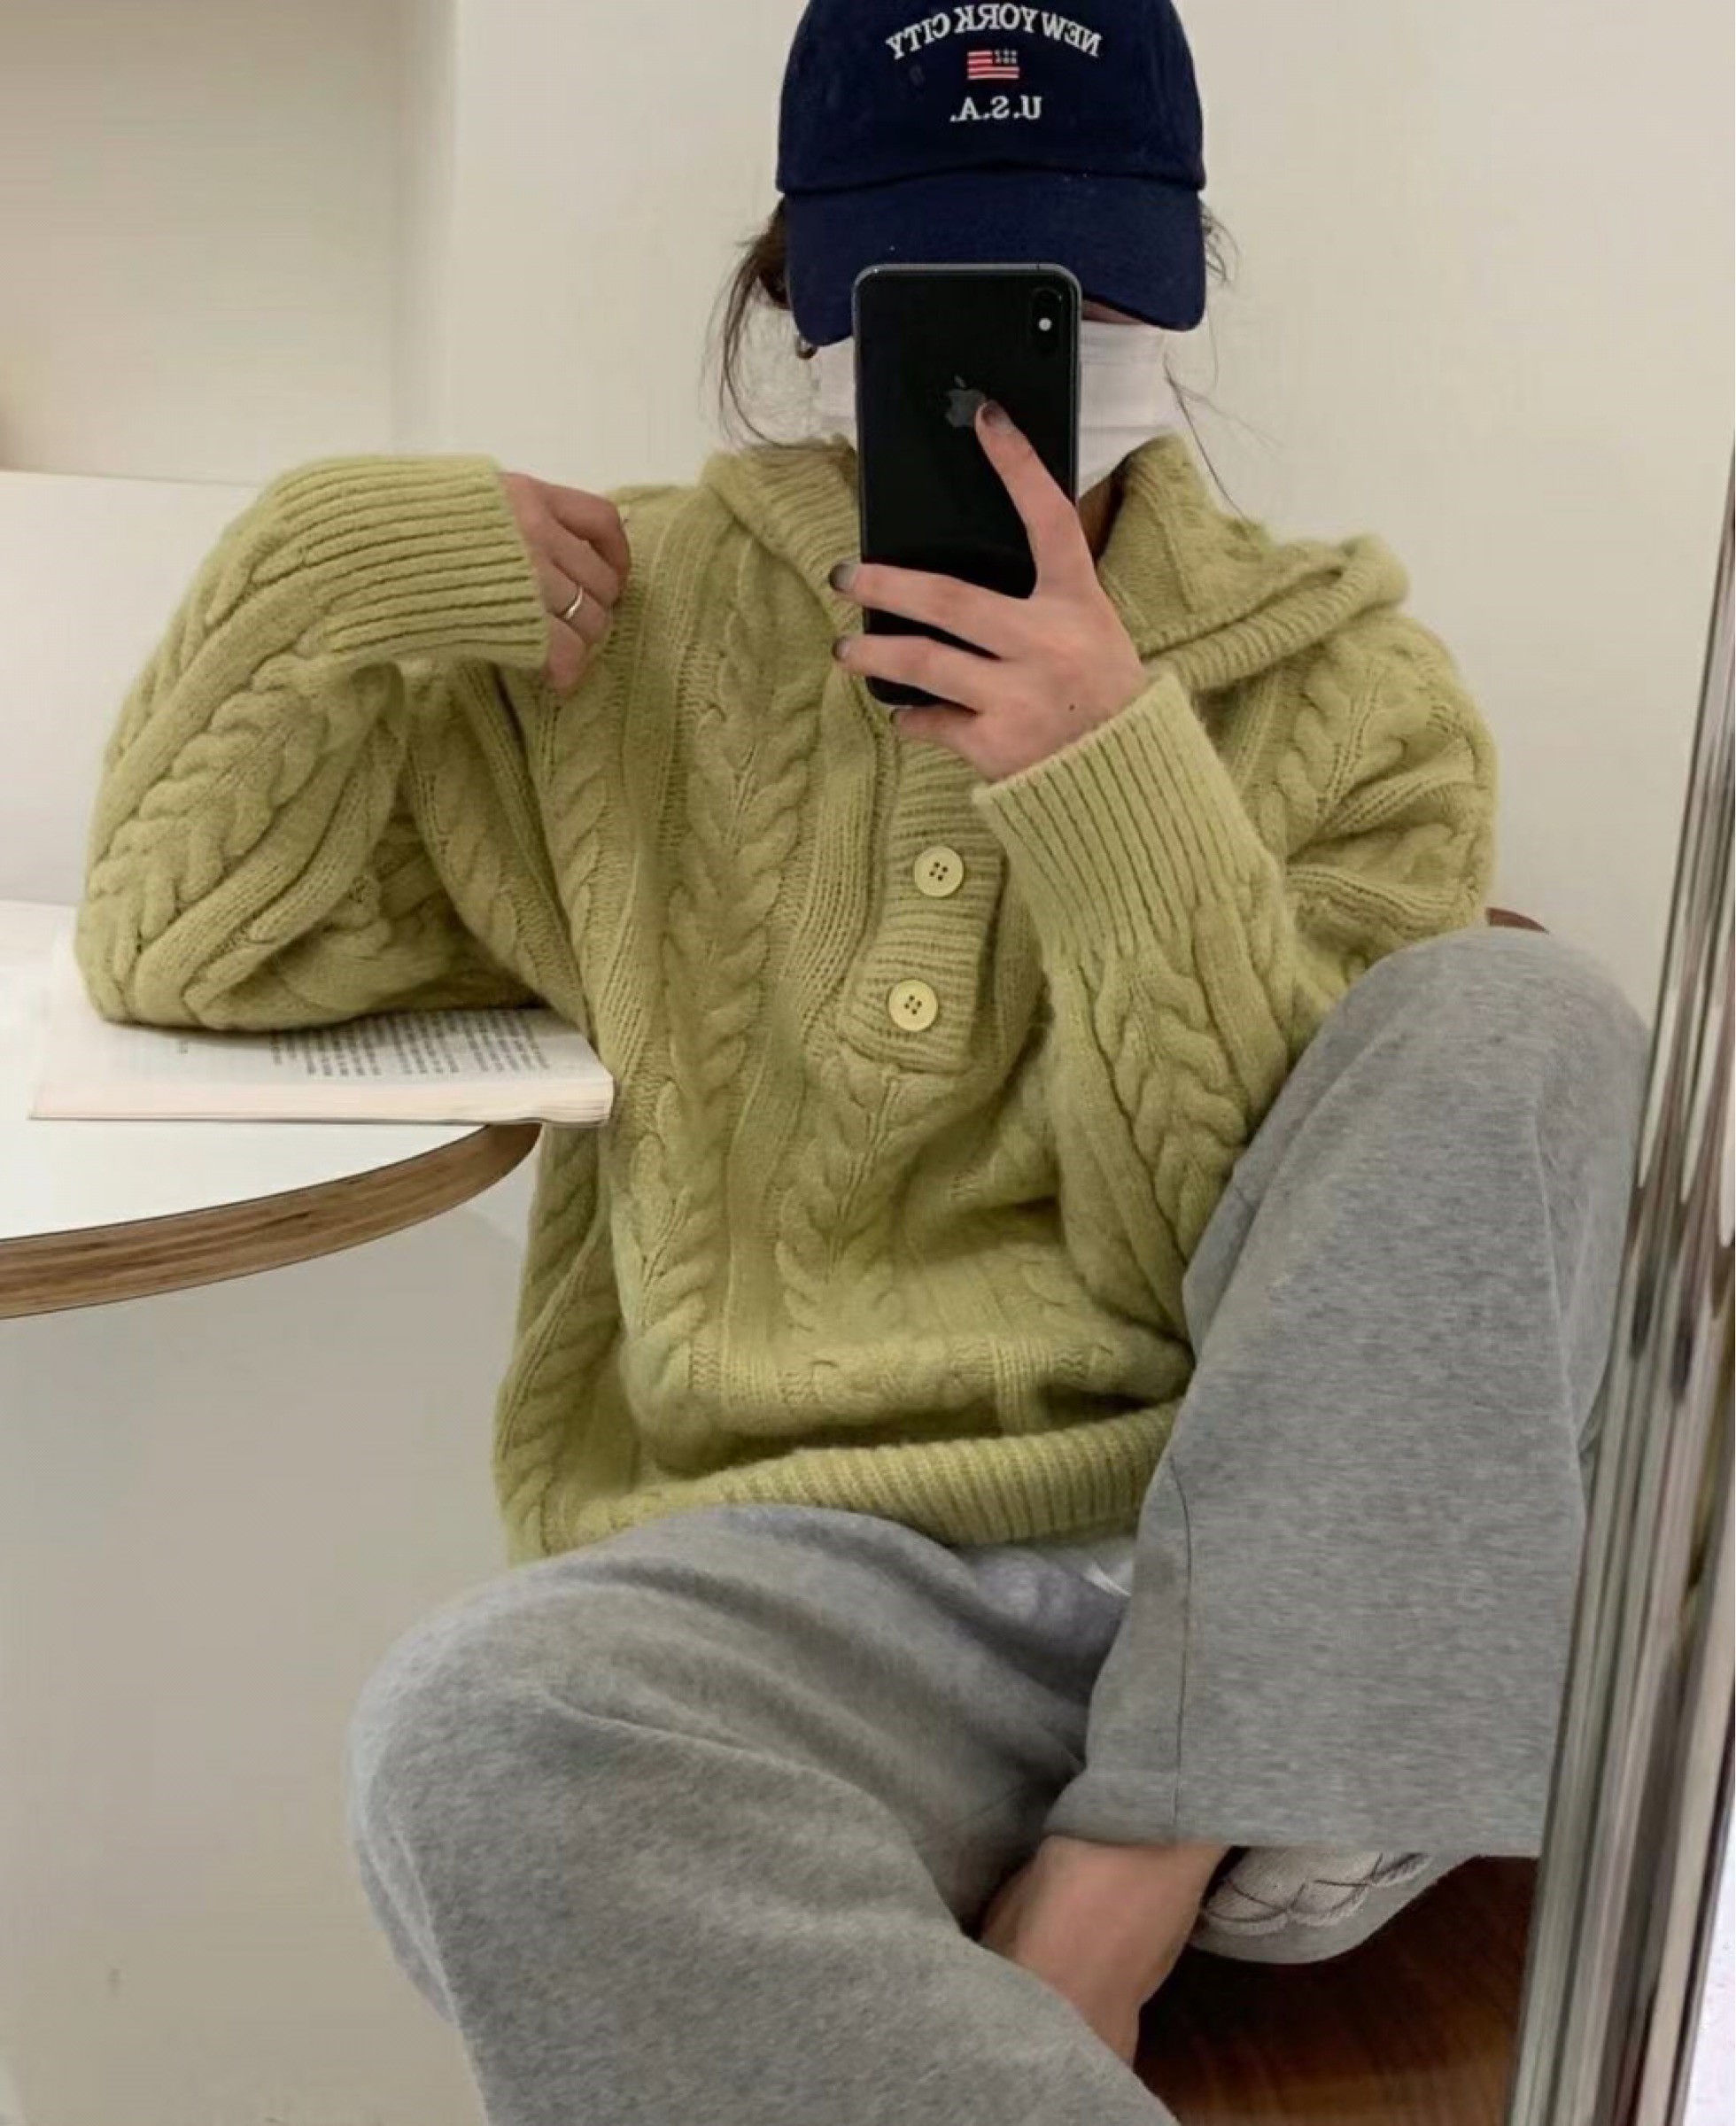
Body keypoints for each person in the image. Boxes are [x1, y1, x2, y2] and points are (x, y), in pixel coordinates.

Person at [74, 1, 1647, 2119]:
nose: (1019, 363)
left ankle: (1140, 1862)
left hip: (1286, 1626)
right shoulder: (612, 633)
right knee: (473, 1725)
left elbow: (1276, 1278)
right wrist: (320, 566)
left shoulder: (1353, 694)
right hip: (806, 1618)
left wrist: (1112, 779)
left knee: (1520, 1022)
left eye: (1075, 289)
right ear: (801, 292)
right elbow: (186, 949)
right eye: (948, 298)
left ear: (1171, 278)